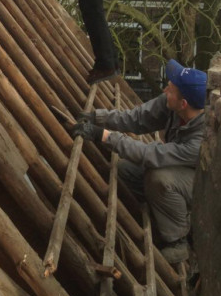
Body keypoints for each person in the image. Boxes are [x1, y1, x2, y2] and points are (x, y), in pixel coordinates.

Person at [70, 59, 207, 263]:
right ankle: (159, 213)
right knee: (125, 170)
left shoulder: (201, 140)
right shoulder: (172, 104)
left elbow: (151, 154)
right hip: (175, 168)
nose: (165, 90)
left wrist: (103, 136)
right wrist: (97, 117)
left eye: (170, 89)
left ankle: (178, 240)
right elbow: (137, 118)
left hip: (198, 187)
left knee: (159, 178)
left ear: (183, 103)